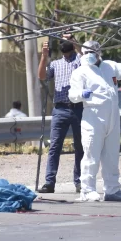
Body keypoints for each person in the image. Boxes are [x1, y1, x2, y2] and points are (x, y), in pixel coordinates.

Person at [68, 40, 121, 202]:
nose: (89, 55)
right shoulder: (80, 72)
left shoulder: (109, 66)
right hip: (93, 117)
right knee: (91, 154)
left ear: (99, 52)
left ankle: (112, 189)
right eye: (86, 53)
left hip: (113, 116)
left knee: (112, 155)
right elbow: (72, 94)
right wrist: (81, 94)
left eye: (92, 52)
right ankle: (87, 190)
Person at [37, 36, 84, 194]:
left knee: (80, 146)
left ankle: (79, 181)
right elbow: (42, 76)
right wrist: (44, 56)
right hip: (60, 109)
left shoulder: (81, 61)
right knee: (55, 147)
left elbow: (89, 61)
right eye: (62, 40)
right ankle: (49, 182)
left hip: (79, 108)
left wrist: (76, 44)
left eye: (68, 39)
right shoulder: (56, 64)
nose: (64, 42)